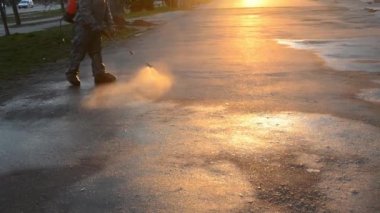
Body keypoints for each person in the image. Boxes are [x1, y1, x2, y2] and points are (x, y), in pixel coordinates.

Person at [65, 0, 117, 86]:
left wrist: (111, 26)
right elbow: (85, 11)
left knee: (96, 51)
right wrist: (95, 25)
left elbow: (107, 11)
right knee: (78, 51)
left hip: (96, 29)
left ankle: (99, 74)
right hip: (83, 28)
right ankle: (71, 74)